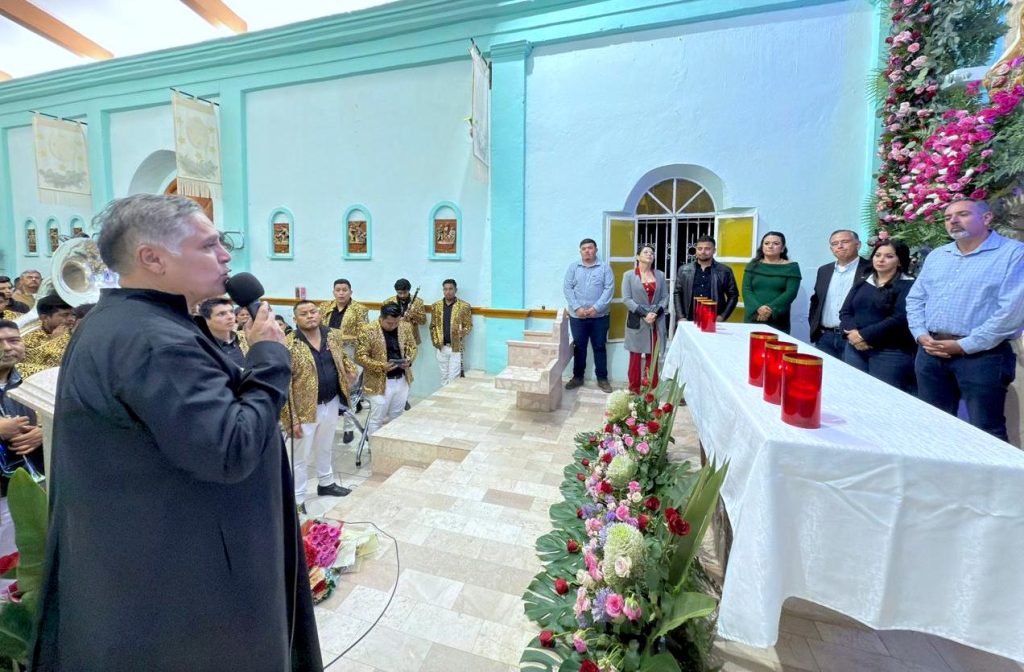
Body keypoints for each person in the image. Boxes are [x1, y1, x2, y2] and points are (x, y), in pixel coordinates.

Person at [30, 194, 322, 671]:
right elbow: (230, 448)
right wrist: (269, 358)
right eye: (208, 245)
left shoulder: (126, 322)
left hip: (157, 559)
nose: (225, 255)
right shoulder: (155, 340)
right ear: (153, 258)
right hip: (186, 589)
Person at [906, 198, 1024, 441]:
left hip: (983, 356)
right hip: (930, 352)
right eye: (948, 217)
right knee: (932, 425)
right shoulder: (938, 255)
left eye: (962, 214)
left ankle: (990, 469)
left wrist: (964, 345)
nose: (953, 221)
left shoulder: (1013, 253)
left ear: (987, 218)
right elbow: (916, 298)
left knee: (985, 430)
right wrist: (921, 334)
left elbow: (1012, 311)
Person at [283, 301, 358, 511]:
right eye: (303, 313)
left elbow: (341, 356)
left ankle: (326, 483)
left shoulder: (331, 335)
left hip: (331, 401)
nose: (310, 316)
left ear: (320, 314)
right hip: (304, 409)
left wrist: (350, 370)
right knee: (300, 456)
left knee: (325, 446)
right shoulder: (288, 344)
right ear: (295, 319)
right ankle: (296, 499)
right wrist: (290, 418)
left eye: (313, 311)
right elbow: (283, 384)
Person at [839, 239, 917, 393]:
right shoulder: (864, 280)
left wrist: (863, 335)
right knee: (852, 392)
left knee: (881, 395)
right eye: (878, 255)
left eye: (889, 256)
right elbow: (845, 311)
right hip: (855, 347)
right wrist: (852, 334)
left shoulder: (909, 284)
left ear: (900, 261)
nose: (881, 260)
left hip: (890, 352)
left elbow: (899, 318)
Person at [0, 320, 45, 565]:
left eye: (14, 340)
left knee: (31, 563)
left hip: (38, 486)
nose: (7, 348)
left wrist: (44, 432)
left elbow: (70, 418)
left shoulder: (38, 379)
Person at [318, 278, 369, 443]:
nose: (341, 293)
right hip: (326, 352)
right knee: (327, 388)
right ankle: (327, 425)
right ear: (333, 292)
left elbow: (363, 334)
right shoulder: (324, 307)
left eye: (344, 290)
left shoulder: (360, 309)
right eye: (338, 290)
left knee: (348, 390)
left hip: (349, 352)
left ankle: (349, 427)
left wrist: (336, 336)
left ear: (350, 292)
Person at [808, 229, 872, 358]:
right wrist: (815, 326)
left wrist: (864, 334)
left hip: (854, 338)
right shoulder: (824, 270)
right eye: (835, 243)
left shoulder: (870, 269)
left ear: (858, 245)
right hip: (825, 337)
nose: (840, 246)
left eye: (845, 241)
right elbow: (816, 301)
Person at [563, 238, 615, 392]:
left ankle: (602, 379)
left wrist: (596, 308)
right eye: (584, 248)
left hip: (600, 317)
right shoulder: (573, 268)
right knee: (579, 347)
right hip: (577, 317)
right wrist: (577, 308)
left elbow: (609, 289)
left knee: (599, 346)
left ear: (596, 250)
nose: (587, 251)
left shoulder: (605, 268)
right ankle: (578, 377)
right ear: (580, 251)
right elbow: (567, 288)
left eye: (590, 248)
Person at [356, 303, 417, 436]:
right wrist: (380, 366)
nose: (393, 326)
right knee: (377, 418)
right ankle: (374, 446)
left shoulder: (405, 326)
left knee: (397, 415)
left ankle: (391, 444)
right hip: (378, 381)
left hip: (401, 378)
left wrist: (409, 359)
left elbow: (412, 346)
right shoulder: (368, 330)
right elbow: (360, 356)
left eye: (396, 322)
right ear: (381, 318)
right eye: (389, 323)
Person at [622, 245, 668, 393]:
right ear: (637, 257)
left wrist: (655, 313)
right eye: (646, 252)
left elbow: (665, 297)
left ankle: (651, 390)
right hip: (637, 318)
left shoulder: (660, 275)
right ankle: (633, 388)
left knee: (652, 355)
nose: (649, 254)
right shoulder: (629, 275)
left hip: (655, 320)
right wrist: (644, 314)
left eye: (652, 253)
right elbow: (626, 299)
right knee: (635, 356)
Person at [742, 231, 802, 333]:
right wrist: (758, 308)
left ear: (782, 248)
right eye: (767, 243)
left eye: (776, 243)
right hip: (753, 315)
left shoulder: (791, 267)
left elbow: (790, 293)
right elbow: (746, 290)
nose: (770, 246)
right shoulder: (752, 266)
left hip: (778, 319)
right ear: (762, 247)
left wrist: (769, 309)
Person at [673, 235, 739, 323]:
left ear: (714, 250)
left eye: (707, 249)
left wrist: (722, 316)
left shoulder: (724, 271)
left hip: (713, 321)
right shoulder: (684, 270)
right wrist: (681, 317)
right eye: (700, 248)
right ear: (696, 250)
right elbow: (677, 293)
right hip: (689, 320)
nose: (703, 252)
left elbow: (733, 295)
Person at [18, 293, 74, 377]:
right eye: (65, 315)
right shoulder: (27, 336)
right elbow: (33, 365)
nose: (71, 319)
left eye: (73, 314)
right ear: (44, 318)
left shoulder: (73, 330)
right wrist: (57, 341)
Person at [429, 278, 472, 386]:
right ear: (443, 290)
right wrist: (436, 342)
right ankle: (444, 396)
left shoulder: (464, 306)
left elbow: (469, 325)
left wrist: (464, 331)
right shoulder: (436, 306)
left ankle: (452, 395)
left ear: (455, 290)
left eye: (450, 289)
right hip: (441, 347)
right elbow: (432, 326)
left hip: (456, 347)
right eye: (445, 289)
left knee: (454, 378)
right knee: (444, 376)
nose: (448, 291)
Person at [198, 297, 248, 368]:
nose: (230, 317)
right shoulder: (201, 346)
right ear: (206, 319)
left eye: (231, 312)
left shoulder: (244, 338)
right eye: (221, 314)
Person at [384, 278, 426, 345]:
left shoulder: (418, 302)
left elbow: (423, 321)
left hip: (411, 338)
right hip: (393, 337)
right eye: (400, 293)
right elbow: (383, 320)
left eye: (405, 292)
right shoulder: (388, 302)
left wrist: (413, 315)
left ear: (409, 290)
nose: (402, 295)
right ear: (396, 291)